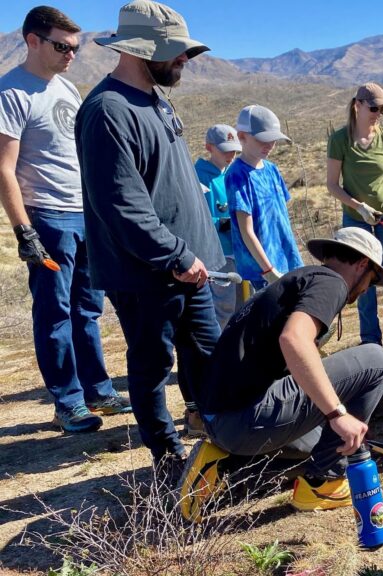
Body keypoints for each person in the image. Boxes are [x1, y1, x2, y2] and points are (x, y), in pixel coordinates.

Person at [76, 0, 224, 467]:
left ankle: (215, 435)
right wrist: (177, 256)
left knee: (206, 355)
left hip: (189, 266)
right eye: (176, 51)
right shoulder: (107, 111)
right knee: (151, 366)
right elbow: (121, 207)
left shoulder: (156, 99)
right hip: (148, 273)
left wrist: (193, 257)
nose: (185, 59)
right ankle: (167, 457)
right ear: (141, 50)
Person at [180, 228, 383, 521]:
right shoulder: (332, 283)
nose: (368, 288)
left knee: (315, 442)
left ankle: (222, 462)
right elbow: (293, 340)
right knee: (377, 359)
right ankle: (323, 482)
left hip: (220, 420)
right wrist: (337, 413)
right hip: (244, 418)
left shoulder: (297, 280)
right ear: (361, 265)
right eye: (372, 280)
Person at [0, 6, 130, 433]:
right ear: (32, 40)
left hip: (84, 213)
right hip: (47, 216)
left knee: (88, 309)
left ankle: (98, 390)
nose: (70, 54)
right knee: (54, 312)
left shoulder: (68, 89)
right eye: (61, 46)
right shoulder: (12, 93)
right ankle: (68, 402)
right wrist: (24, 230)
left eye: (75, 47)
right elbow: (4, 167)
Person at [326, 83, 383, 347]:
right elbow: (332, 185)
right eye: (374, 108)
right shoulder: (340, 140)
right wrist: (359, 207)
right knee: (362, 275)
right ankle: (370, 338)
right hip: (356, 217)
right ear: (357, 105)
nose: (378, 114)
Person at [226, 105, 303, 291]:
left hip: (287, 259)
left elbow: (281, 218)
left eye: (273, 140)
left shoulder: (272, 169)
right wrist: (268, 270)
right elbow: (247, 231)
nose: (270, 145)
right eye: (263, 140)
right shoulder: (237, 175)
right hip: (261, 270)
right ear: (242, 136)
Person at [195, 124, 242, 329]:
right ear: (209, 147)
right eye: (225, 150)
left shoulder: (233, 174)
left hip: (238, 251)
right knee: (222, 308)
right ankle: (218, 352)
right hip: (217, 255)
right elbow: (194, 218)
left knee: (241, 306)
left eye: (233, 149)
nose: (230, 155)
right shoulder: (197, 176)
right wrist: (221, 224)